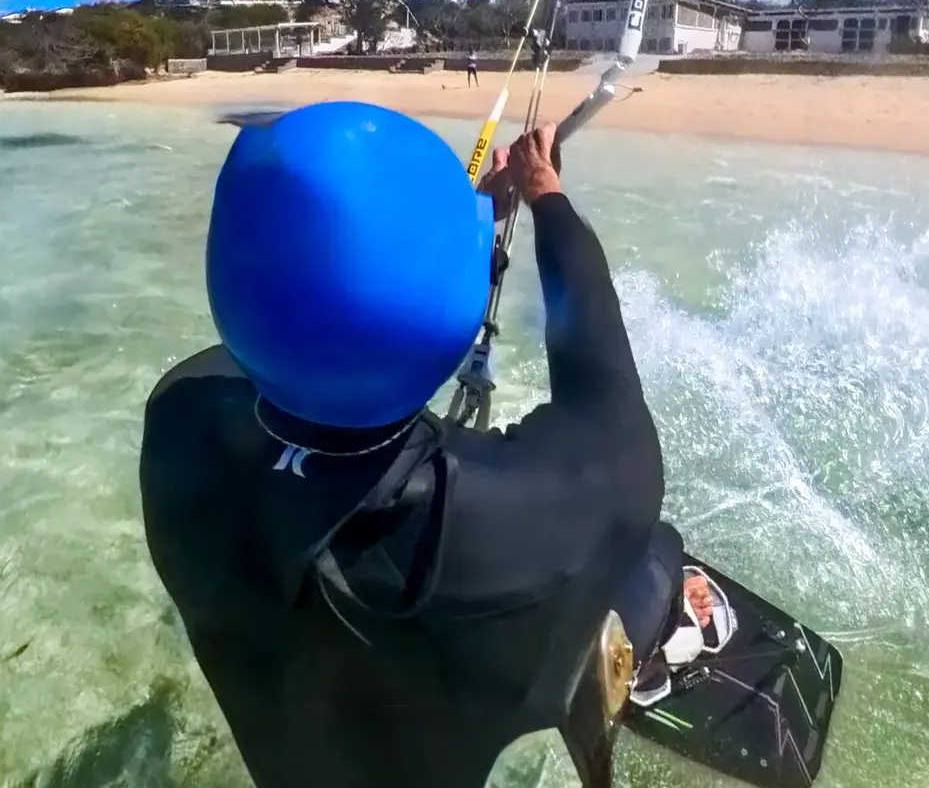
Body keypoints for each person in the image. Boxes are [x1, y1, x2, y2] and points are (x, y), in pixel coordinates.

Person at [140, 100, 714, 788]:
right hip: (494, 634)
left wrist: (437, 237)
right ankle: (606, 657)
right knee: (652, 549)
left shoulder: (179, 423)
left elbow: (299, 314)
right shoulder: (508, 521)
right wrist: (546, 200)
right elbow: (614, 415)